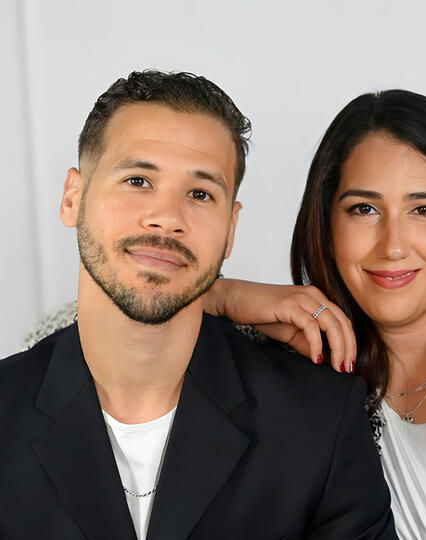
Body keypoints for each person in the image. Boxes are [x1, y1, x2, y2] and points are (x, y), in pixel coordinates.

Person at [23, 89, 426, 538]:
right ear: (327, 229)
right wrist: (221, 296)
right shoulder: (291, 355)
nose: (394, 245)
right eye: (363, 209)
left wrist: (218, 293)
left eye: (424, 209)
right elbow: (73, 338)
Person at [0, 71, 397, 540]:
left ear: (230, 228)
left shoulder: (319, 421)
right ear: (74, 197)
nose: (167, 218)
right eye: (138, 180)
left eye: (200, 194)